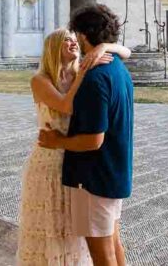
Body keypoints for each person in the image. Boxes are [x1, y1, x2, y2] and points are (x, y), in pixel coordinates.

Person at [17, 27, 131, 265]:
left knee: (77, 233)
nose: (72, 43)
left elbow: (127, 51)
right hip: (49, 164)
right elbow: (65, 106)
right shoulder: (40, 80)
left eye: (73, 39)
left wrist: (104, 47)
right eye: (65, 41)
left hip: (77, 162)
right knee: (52, 230)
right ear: (52, 49)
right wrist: (83, 74)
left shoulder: (84, 72)